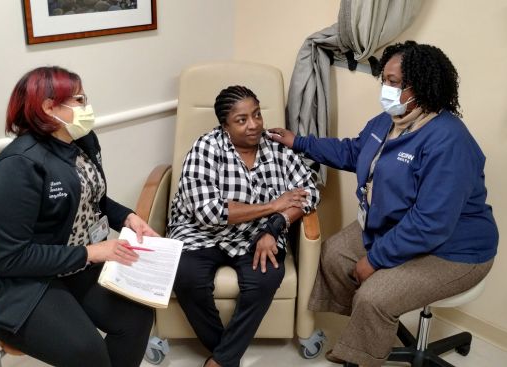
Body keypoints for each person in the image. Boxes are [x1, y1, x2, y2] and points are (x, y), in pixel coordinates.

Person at [269, 40, 498, 367]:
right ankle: (365, 334)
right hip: (396, 226)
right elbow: (353, 152)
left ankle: (362, 351)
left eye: (394, 82)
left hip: (452, 250)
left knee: (375, 297)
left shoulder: (449, 141)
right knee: (334, 254)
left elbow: (430, 224)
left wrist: (375, 260)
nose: (385, 88)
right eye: (384, 80)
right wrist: (299, 142)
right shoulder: (388, 122)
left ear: (419, 86)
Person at [0, 66, 158, 367]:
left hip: (69, 260)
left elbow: (93, 199)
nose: (86, 107)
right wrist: (91, 252)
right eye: (79, 99)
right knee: (87, 352)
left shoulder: (81, 142)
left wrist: (128, 218)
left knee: (137, 316)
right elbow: (10, 258)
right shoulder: (17, 167)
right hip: (13, 277)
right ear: (48, 107)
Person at [167, 85, 320, 367]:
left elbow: (309, 192)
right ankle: (226, 356)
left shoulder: (276, 146)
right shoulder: (205, 148)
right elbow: (208, 213)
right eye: (242, 120)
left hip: (257, 233)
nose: (254, 125)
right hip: (201, 233)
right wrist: (273, 205)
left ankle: (220, 360)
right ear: (224, 125)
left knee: (267, 276)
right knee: (186, 276)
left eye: (257, 115)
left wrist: (274, 226)